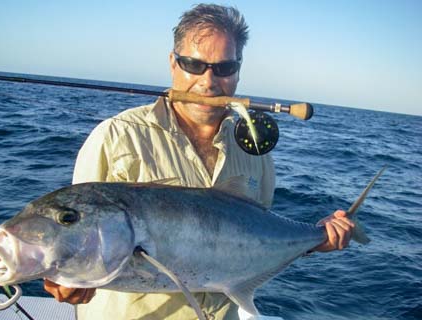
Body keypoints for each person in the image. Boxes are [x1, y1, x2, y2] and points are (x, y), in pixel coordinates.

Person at [44, 4, 355, 319]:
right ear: (173, 64)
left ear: (238, 70)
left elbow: (256, 238)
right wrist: (63, 279)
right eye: (194, 65)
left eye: (223, 68)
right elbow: (76, 235)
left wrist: (314, 241)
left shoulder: (254, 154)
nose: (208, 82)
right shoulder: (117, 137)